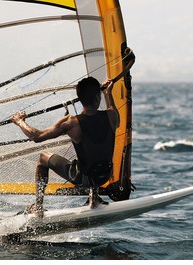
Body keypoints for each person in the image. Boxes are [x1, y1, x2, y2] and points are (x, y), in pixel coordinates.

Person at [10, 77, 119, 217]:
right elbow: (111, 108)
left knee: (43, 157)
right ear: (98, 97)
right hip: (105, 175)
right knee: (94, 153)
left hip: (84, 178)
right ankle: (94, 197)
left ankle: (38, 206)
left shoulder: (71, 123)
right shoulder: (112, 116)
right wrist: (108, 93)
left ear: (80, 99)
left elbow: (36, 136)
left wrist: (20, 122)